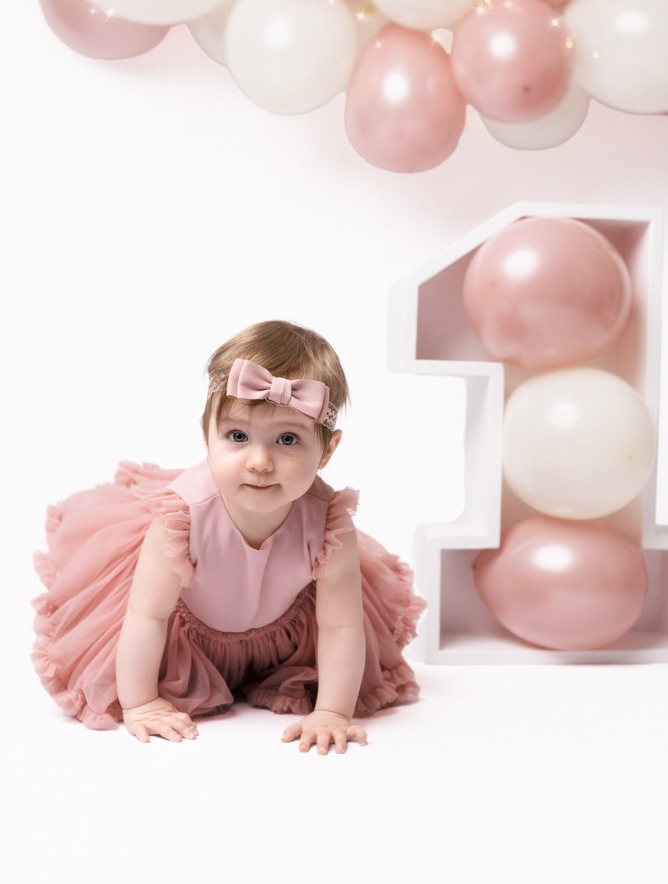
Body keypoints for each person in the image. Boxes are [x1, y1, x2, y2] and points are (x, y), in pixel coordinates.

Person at [33, 320, 425, 754]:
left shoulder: (329, 523)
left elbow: (339, 625)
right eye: (237, 436)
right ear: (208, 433)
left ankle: (268, 677)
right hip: (184, 643)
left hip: (283, 643)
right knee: (140, 627)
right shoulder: (182, 515)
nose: (259, 461)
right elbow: (148, 617)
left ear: (327, 450)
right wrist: (141, 703)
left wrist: (332, 711)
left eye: (288, 439)